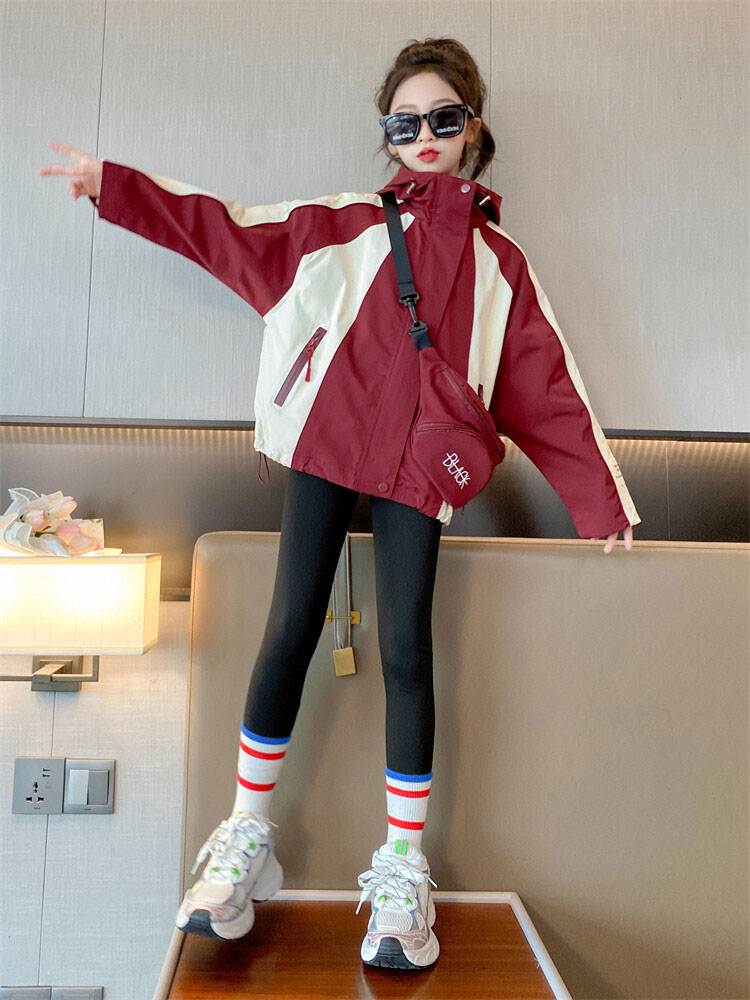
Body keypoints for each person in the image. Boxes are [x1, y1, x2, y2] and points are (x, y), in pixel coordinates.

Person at [39, 36, 640, 971]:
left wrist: (601, 502)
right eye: (405, 123)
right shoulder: (344, 224)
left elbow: (544, 383)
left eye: (444, 118)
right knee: (289, 627)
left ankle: (403, 871)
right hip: (324, 443)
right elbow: (224, 230)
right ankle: (245, 840)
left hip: (421, 465)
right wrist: (115, 188)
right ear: (387, 134)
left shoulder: (500, 262)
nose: (425, 136)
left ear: (473, 126)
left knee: (406, 647)